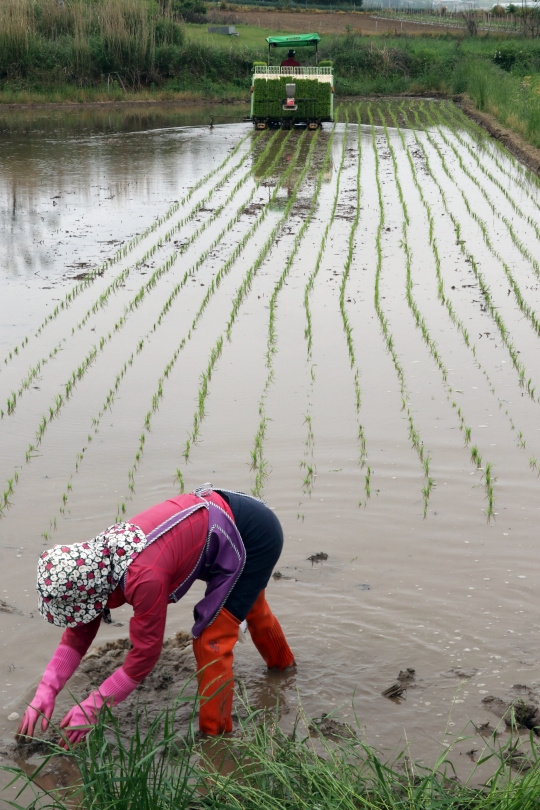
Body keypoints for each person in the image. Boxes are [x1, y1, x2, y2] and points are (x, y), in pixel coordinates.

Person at [17, 485, 295, 746]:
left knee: (211, 641)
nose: (79, 615)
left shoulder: (144, 578)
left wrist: (93, 706)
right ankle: (285, 668)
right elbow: (80, 630)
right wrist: (46, 690)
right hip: (230, 521)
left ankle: (216, 740)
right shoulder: (94, 565)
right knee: (250, 606)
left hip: (254, 536)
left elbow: (145, 655)